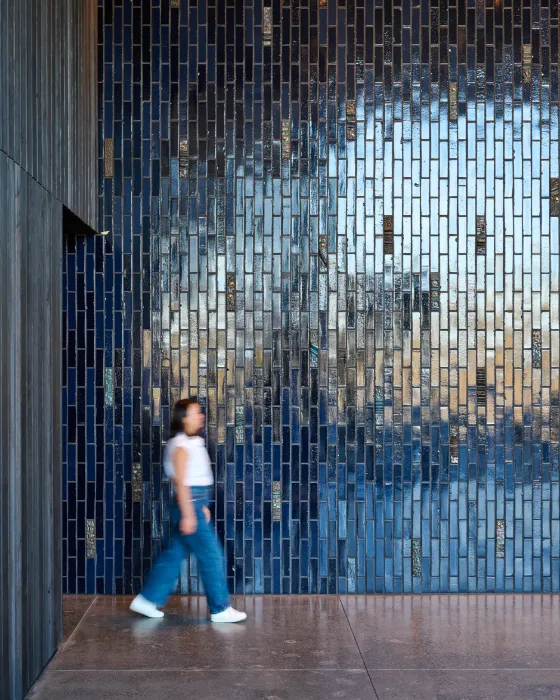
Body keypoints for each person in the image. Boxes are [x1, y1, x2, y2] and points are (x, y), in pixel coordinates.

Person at [130, 397, 246, 623]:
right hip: (188, 503)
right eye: (195, 413)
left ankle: (146, 599)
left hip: (193, 503)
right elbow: (181, 482)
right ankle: (221, 608)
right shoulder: (180, 445)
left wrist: (200, 506)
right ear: (183, 418)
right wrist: (190, 512)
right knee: (212, 556)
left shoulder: (190, 442)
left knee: (173, 555)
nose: (200, 416)